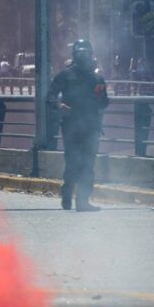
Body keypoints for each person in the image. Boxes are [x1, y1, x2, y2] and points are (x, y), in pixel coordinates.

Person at [47, 39, 109, 211]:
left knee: (88, 164)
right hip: (71, 127)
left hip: (91, 128)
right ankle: (67, 194)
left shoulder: (97, 78)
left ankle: (83, 201)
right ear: (75, 55)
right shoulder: (65, 75)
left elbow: (103, 102)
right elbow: (50, 96)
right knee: (73, 163)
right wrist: (60, 106)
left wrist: (99, 90)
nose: (84, 57)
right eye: (81, 53)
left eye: (87, 53)